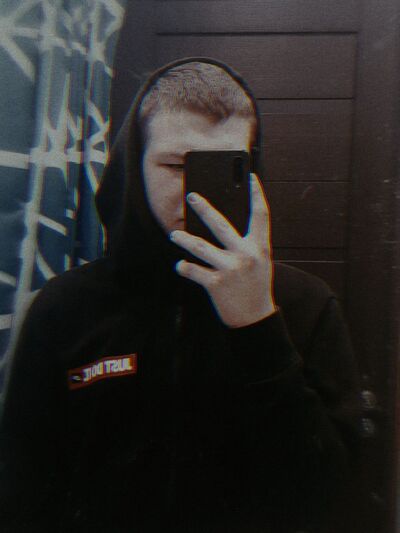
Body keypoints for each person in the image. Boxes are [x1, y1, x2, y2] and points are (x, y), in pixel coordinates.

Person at [0, 58, 362, 532]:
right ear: (135, 166)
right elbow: (21, 488)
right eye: (174, 165)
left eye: (225, 167)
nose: (196, 194)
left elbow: (337, 500)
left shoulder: (305, 305)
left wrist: (257, 325)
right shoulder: (65, 307)